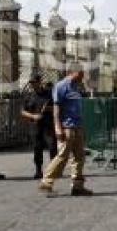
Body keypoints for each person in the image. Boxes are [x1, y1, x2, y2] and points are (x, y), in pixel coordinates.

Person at [39, 63, 93, 196]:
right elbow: (56, 110)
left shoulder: (76, 87)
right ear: (72, 72)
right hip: (67, 127)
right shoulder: (61, 86)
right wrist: (58, 128)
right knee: (62, 156)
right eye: (81, 73)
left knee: (79, 157)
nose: (83, 76)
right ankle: (46, 182)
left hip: (77, 126)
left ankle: (77, 186)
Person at [21, 73, 57, 179]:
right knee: (37, 148)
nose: (32, 85)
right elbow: (23, 111)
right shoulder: (29, 96)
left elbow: (57, 107)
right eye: (31, 83)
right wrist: (33, 116)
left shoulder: (49, 94)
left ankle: (53, 169)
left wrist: (48, 109)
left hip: (48, 125)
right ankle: (38, 170)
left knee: (52, 147)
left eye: (34, 82)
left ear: (39, 82)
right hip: (35, 126)